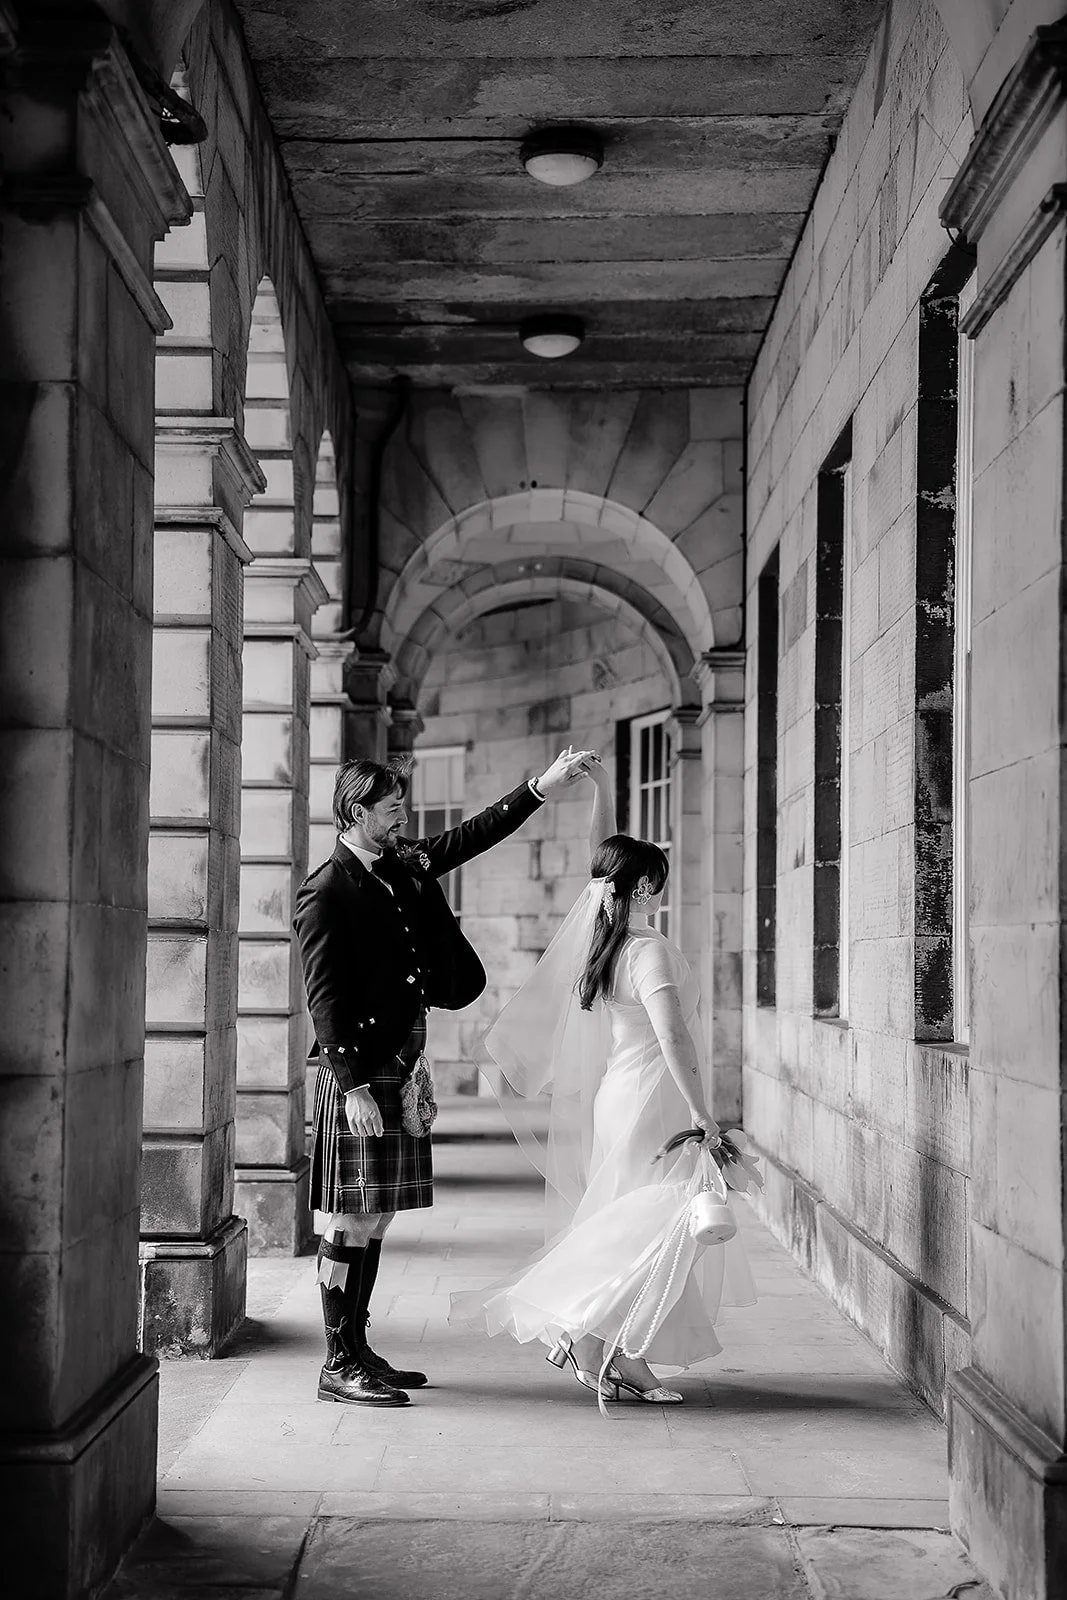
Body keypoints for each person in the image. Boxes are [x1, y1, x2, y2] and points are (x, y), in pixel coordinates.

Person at [293, 746, 595, 1408]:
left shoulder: (399, 866)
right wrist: (351, 1088)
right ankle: (336, 1363)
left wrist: (540, 786)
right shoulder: (326, 891)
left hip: (401, 1062)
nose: (402, 817)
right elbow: (324, 998)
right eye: (391, 808)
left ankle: (359, 1347)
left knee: (376, 1218)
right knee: (347, 1217)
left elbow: (471, 835)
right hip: (364, 1075)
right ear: (356, 811)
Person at [451, 757, 757, 1404]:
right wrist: (705, 1115)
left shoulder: (604, 939)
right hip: (655, 1098)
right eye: (659, 880)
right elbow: (674, 1038)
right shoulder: (649, 951)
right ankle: (605, 1345)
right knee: (654, 1228)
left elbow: (605, 861)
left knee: (631, 1221)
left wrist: (602, 790)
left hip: (621, 1096)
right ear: (644, 886)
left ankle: (599, 1344)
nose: (663, 889)